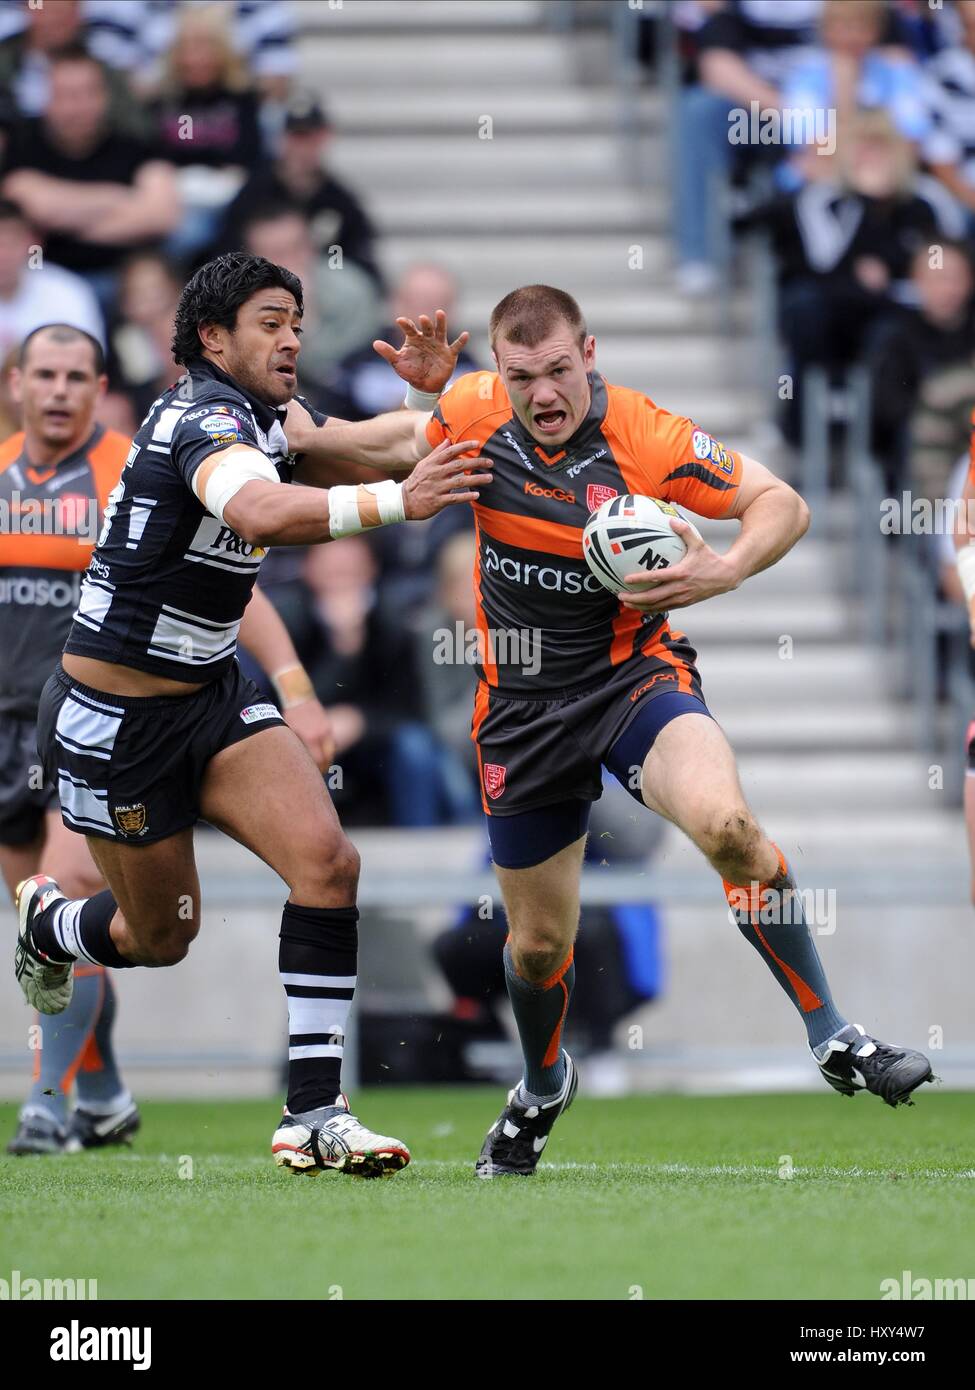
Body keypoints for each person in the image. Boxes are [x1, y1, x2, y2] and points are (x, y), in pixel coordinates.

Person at [287, 283, 935, 1178]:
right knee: (538, 946)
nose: (543, 393)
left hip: (634, 681)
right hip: (518, 713)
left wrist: (724, 569)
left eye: (558, 369)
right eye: (523, 376)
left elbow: (781, 502)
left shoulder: (645, 435)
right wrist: (386, 408)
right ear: (500, 374)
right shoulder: (472, 409)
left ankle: (832, 1033)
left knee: (730, 831)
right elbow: (347, 451)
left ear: (587, 354)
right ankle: (543, 1083)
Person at [12, 252, 491, 1178]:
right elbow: (265, 509)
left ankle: (314, 1109)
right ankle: (50, 930)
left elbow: (377, 440)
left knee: (327, 862)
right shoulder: (202, 419)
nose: (291, 339)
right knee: (163, 937)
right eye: (270, 322)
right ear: (212, 338)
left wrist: (455, 405)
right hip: (120, 715)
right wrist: (400, 503)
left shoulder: (269, 413)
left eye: (298, 323)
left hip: (211, 694)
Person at [2, 319, 335, 1155]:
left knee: (69, 876)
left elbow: (227, 587)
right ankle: (106, 1090)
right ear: (15, 384)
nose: (58, 392)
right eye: (43, 375)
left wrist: (293, 683)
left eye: (77, 377)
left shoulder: (136, 459)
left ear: (100, 388)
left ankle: (46, 1102)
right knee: (88, 921)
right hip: (11, 726)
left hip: (99, 716)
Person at [0, 46, 180, 308]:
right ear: (47, 99)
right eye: (66, 95)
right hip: (38, 277)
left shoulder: (136, 142)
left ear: (105, 97)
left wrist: (61, 221)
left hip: (122, 283)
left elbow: (161, 215)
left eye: (87, 94)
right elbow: (31, 204)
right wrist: (124, 199)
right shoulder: (22, 142)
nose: (77, 107)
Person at [0, 198, 104, 359]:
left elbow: (88, 362)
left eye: (11, 243)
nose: (3, 255)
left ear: (33, 243)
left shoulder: (68, 292)